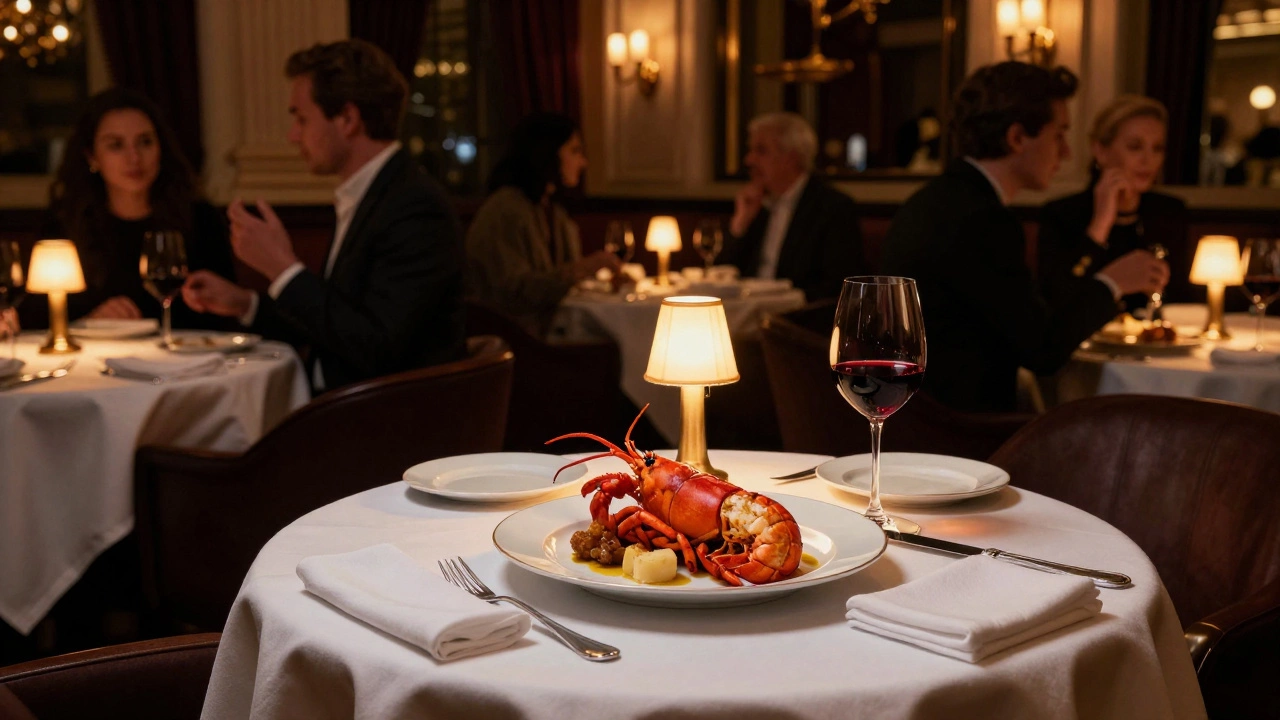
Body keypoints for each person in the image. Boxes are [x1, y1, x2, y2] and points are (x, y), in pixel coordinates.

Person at [879, 62, 1169, 414]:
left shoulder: (941, 199)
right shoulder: (983, 220)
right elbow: (1044, 350)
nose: (1066, 153)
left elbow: (1034, 320)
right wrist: (1112, 283)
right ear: (1017, 138)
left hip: (915, 414)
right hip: (955, 431)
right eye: (1059, 135)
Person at [182, 39, 465, 392]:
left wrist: (282, 268)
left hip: (381, 425)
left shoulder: (414, 207)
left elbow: (377, 348)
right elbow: (335, 323)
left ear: (347, 119)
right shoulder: (371, 193)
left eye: (302, 119)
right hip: (343, 412)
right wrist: (246, 303)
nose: (292, 135)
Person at [20, 88, 235, 330]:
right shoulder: (64, 224)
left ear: (160, 149)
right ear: (92, 157)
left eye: (145, 142)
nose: (134, 158)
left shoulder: (200, 220)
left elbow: (227, 316)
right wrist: (90, 323)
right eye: (116, 145)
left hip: (184, 363)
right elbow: (34, 319)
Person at [465, 113, 619, 337]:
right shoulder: (505, 210)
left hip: (542, 336)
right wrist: (588, 266)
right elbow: (514, 294)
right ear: (548, 152)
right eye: (575, 151)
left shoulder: (553, 211)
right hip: (511, 342)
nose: (583, 162)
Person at [1039, 95, 1190, 316]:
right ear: (1100, 151)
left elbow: (1179, 299)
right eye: (1135, 147)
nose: (1148, 160)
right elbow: (1055, 298)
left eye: (1157, 149)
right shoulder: (1062, 214)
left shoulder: (1169, 211)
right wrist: (1101, 222)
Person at [721, 112, 867, 300]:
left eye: (761, 150)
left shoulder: (833, 207)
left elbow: (838, 288)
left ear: (791, 157)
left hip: (796, 321)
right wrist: (740, 223)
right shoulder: (756, 204)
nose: (749, 160)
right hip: (748, 310)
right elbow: (724, 274)